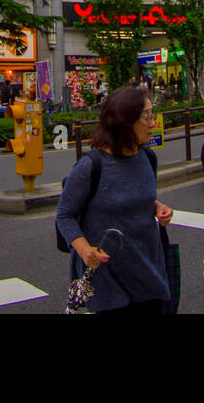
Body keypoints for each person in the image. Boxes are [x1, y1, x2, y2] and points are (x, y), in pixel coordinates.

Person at [56, 86, 174, 314]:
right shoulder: (90, 166)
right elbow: (64, 214)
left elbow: (138, 197)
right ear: (125, 121)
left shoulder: (148, 158)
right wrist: (84, 250)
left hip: (148, 271)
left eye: (153, 115)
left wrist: (158, 207)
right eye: (146, 117)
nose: (153, 123)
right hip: (107, 280)